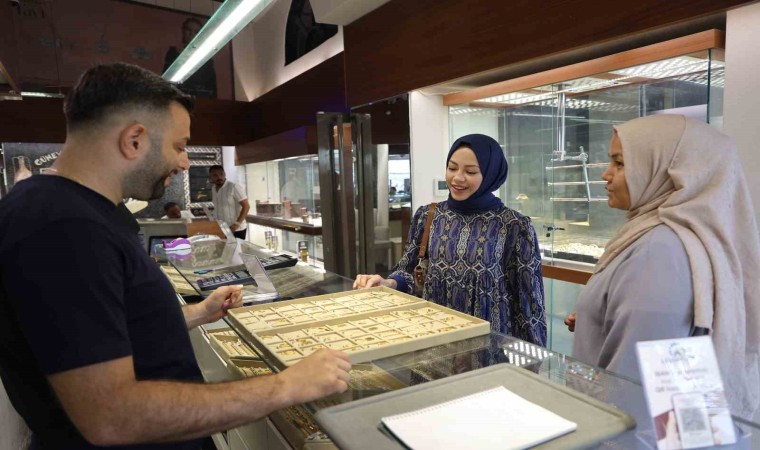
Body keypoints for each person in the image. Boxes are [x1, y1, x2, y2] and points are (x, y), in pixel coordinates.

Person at [0, 63, 350, 450]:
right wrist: (286, 386)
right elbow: (113, 416)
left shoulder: (72, 211)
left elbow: (111, 326)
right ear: (134, 140)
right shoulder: (62, 227)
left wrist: (199, 312)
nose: (184, 163)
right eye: (179, 146)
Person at [570, 114, 760, 419]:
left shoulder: (659, 250)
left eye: (620, 163)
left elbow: (634, 388)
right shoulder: (661, 237)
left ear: (666, 171)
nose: (606, 174)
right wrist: (596, 316)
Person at [354, 134, 547, 346]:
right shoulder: (428, 216)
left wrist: (535, 356)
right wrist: (388, 282)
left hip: (487, 347)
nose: (457, 178)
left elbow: (529, 303)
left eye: (470, 172)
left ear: (491, 174)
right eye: (452, 168)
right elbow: (409, 272)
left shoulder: (514, 226)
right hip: (433, 341)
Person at [163, 17, 217, 98]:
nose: (191, 34)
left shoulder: (206, 59)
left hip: (200, 99)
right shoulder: (173, 53)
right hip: (178, 98)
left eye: (196, 31)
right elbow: (166, 80)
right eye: (188, 30)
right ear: (183, 32)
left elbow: (211, 86)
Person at [209, 165, 250, 240]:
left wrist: (236, 224)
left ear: (224, 174)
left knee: (235, 248)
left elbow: (246, 206)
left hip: (236, 229)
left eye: (221, 174)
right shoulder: (213, 189)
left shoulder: (233, 187)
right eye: (215, 175)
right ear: (210, 177)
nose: (219, 177)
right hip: (222, 229)